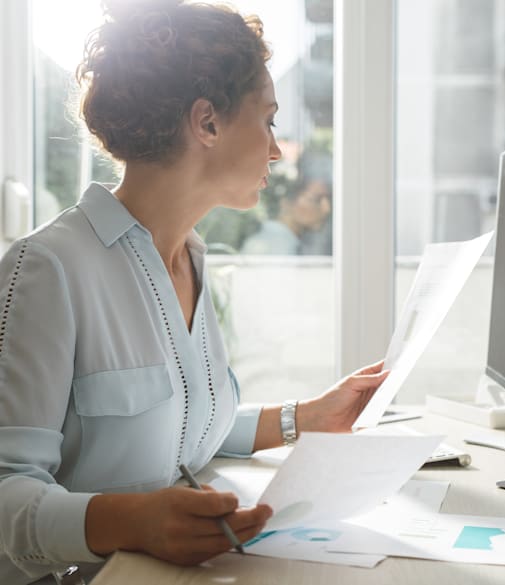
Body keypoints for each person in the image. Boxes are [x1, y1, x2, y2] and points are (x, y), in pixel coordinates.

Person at [0, 1, 389, 583]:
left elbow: (178, 425)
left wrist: (303, 418)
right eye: (269, 120)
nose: (276, 150)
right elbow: (6, 493)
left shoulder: (192, 258)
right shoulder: (48, 269)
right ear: (207, 122)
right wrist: (133, 522)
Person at [240, 175, 332, 255]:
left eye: (327, 200)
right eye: (316, 199)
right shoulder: (277, 244)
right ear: (286, 203)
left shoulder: (275, 238)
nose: (326, 209)